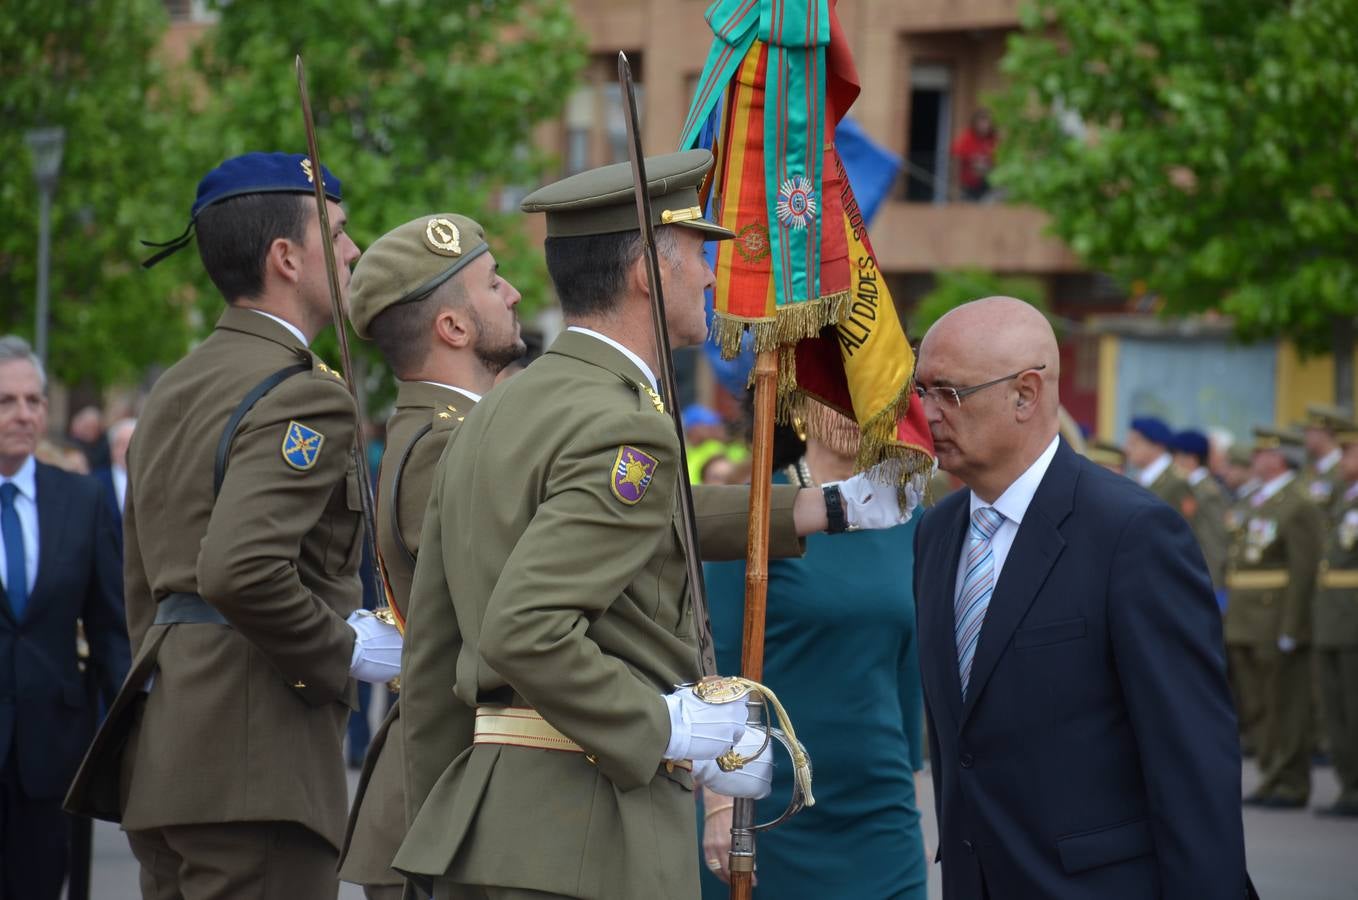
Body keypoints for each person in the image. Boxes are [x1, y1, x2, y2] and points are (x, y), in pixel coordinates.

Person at [393, 149, 912, 900]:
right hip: (590, 839)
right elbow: (525, 630)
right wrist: (666, 727)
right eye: (700, 252)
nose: (710, 275)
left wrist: (821, 507)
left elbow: (436, 646)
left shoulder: (498, 408)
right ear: (647, 270)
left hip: (493, 826)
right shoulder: (621, 424)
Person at [64, 152, 403, 899]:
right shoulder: (304, 395)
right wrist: (344, 648)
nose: (353, 251)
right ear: (286, 257)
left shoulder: (177, 384)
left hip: (170, 747)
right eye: (338, 233)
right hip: (256, 767)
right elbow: (239, 569)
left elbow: (145, 581)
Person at [912, 297, 1248, 899]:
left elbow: (1191, 762)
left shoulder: (1132, 534)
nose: (926, 413)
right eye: (921, 391)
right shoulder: (938, 534)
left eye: (949, 393)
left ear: (1026, 394)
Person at [338, 211, 526, 899]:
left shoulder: (453, 431)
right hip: (446, 798)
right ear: (453, 328)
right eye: (493, 283)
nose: (512, 295)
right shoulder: (443, 447)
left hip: (457, 793)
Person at [698, 412, 928, 899]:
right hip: (772, 807)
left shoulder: (908, 514)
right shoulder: (760, 510)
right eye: (830, 395)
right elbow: (715, 662)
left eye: (857, 395)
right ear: (799, 408)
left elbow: (909, 667)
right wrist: (719, 803)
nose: (848, 411)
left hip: (880, 806)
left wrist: (910, 775)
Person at [0, 337, 129, 900]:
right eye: (6, 401)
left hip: (51, 757)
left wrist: (132, 733)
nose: (24, 414)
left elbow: (110, 630)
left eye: (34, 400)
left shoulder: (80, 501)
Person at [1224, 428, 1325, 809]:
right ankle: (1271, 773)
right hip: (1246, 618)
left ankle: (1291, 781)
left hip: (1275, 616)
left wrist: (1293, 626)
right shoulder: (1256, 500)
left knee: (1286, 703)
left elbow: (1303, 571)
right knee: (1258, 705)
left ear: (1281, 459)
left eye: (1265, 454)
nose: (1257, 460)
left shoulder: (1297, 504)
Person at [1315, 421, 1358, 817]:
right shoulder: (1344, 499)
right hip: (1333, 617)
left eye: (1351, 451)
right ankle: (1349, 788)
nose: (1344, 459)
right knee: (1337, 709)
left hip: (1352, 618)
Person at [1172, 428, 1230, 602]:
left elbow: (1214, 544)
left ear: (1190, 459)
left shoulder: (1208, 492)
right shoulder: (1191, 488)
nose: (1172, 463)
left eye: (1175, 456)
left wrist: (1212, 586)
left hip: (1205, 582)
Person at [1123, 415, 1194, 515]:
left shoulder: (1177, 482)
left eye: (1134, 443)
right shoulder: (1142, 477)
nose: (1127, 449)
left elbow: (1184, 525)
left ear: (1157, 446)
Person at [92, 417, 135, 543]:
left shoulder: (152, 482)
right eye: (120, 444)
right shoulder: (95, 481)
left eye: (131, 443)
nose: (126, 450)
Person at [1302, 404, 1348, 510]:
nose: (1305, 436)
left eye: (1310, 431)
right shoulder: (1310, 468)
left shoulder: (1344, 468)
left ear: (1325, 433)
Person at [950, 108, 997, 202]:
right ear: (975, 124)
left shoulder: (994, 139)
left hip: (989, 186)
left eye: (987, 122)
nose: (984, 126)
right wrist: (955, 186)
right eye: (981, 122)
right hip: (968, 187)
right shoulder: (966, 139)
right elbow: (955, 161)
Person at [66, 406, 109, 472]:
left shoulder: (103, 450)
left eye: (92, 427)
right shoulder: (66, 443)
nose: (87, 431)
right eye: (86, 426)